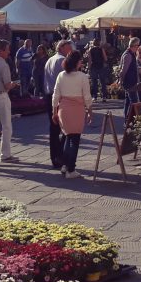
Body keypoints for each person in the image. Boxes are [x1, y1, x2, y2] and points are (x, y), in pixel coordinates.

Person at [53, 50, 92, 179]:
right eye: (80, 60)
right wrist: (90, 111)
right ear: (76, 62)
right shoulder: (82, 77)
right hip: (77, 109)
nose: (81, 62)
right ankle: (71, 168)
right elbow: (87, 97)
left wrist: (54, 111)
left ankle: (65, 165)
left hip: (63, 109)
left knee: (67, 136)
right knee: (74, 139)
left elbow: (56, 95)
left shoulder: (61, 75)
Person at [44, 40, 73, 169]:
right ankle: (59, 156)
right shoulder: (62, 60)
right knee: (65, 128)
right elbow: (63, 81)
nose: (70, 49)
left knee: (54, 128)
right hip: (58, 96)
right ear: (61, 47)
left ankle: (55, 156)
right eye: (68, 47)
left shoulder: (50, 60)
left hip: (49, 95)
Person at [118, 38, 141, 116]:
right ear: (134, 46)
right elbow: (123, 70)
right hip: (129, 82)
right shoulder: (128, 55)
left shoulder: (130, 54)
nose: (138, 47)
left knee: (128, 101)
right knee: (133, 101)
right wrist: (120, 81)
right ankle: (131, 120)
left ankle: (127, 120)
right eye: (138, 45)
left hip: (130, 81)